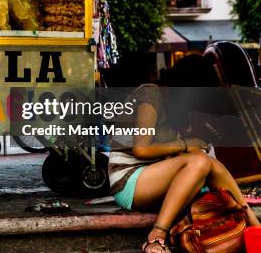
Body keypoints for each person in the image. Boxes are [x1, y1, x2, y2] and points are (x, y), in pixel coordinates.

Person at [108, 54, 260, 253]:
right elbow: (141, 148)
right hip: (129, 180)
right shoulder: (150, 94)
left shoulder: (177, 108)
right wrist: (185, 144)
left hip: (154, 178)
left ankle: (255, 228)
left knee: (208, 162)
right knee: (199, 162)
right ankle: (156, 236)